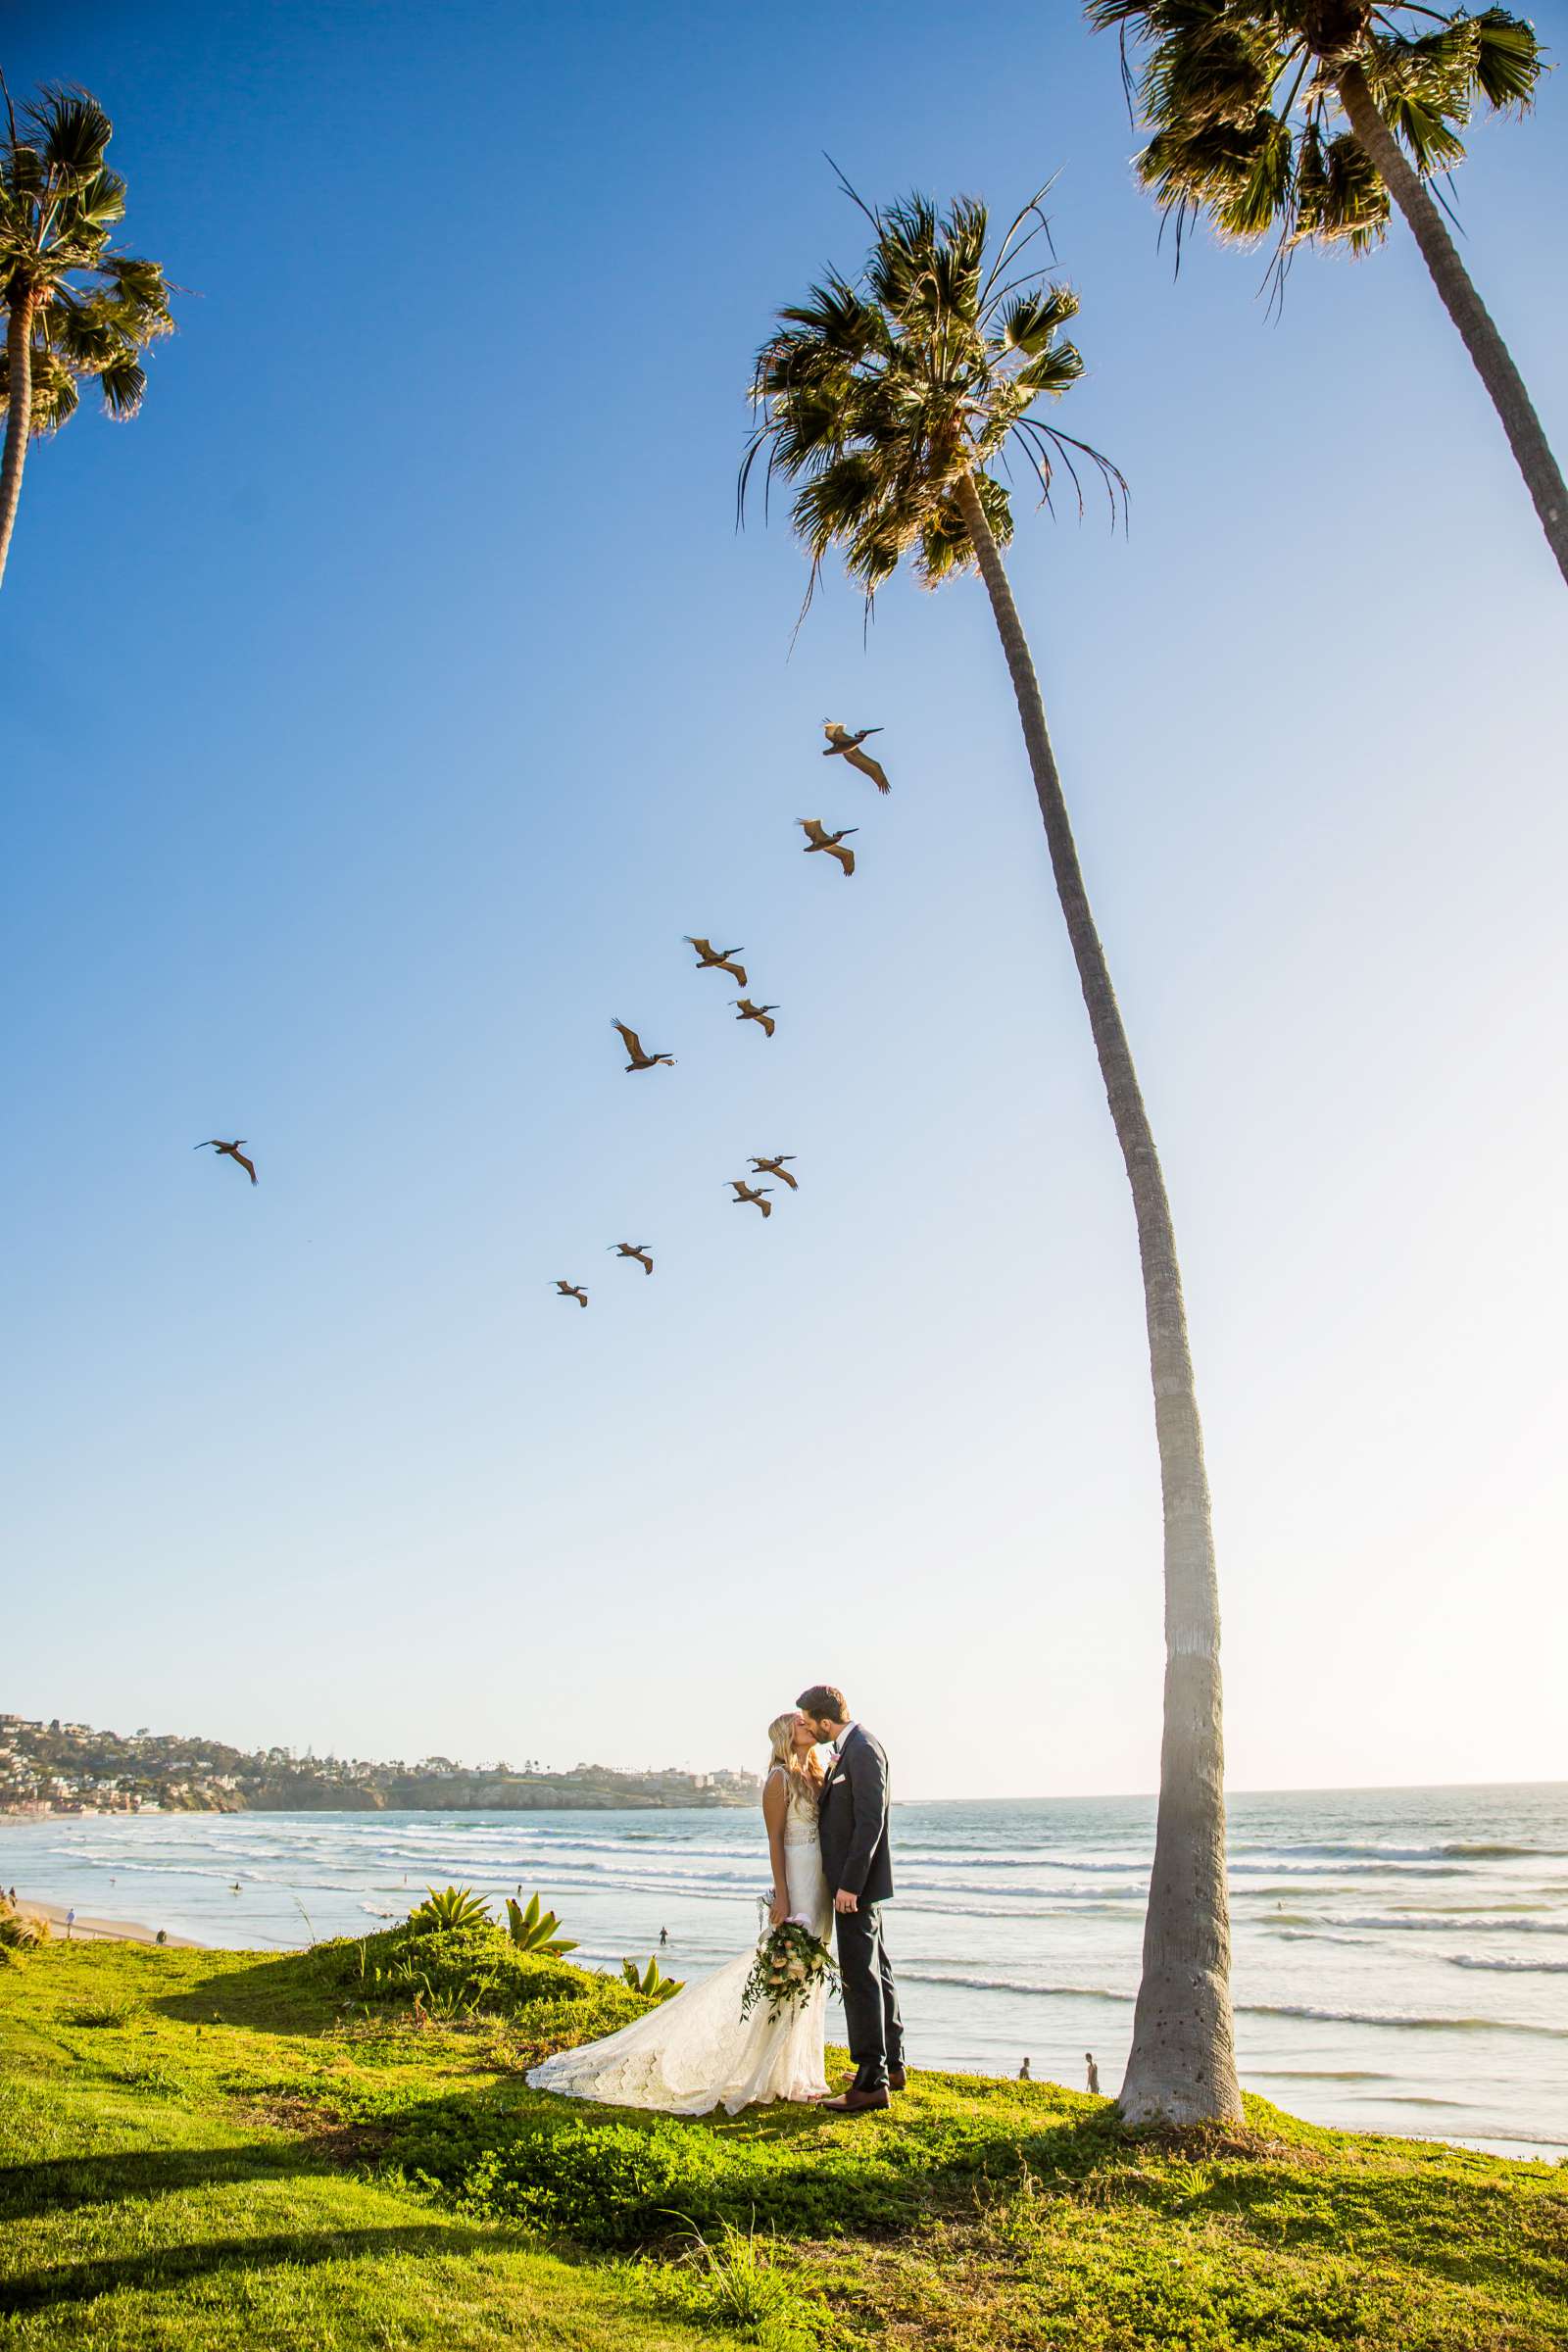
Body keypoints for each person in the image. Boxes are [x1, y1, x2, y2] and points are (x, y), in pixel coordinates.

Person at [525, 1710, 831, 2115]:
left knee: (811, 1973)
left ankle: (801, 2071)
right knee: (787, 1974)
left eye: (808, 1722)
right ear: (784, 1736)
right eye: (799, 1724)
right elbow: (775, 1840)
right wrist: (784, 1897)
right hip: (798, 1877)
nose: (808, 1725)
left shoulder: (816, 1772)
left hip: (821, 1881)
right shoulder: (777, 1779)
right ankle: (776, 2074)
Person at [796, 1684, 905, 2115]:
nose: (805, 1726)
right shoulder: (850, 1748)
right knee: (878, 1970)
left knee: (860, 1978)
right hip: (853, 1885)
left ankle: (870, 2081)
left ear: (826, 1722)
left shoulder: (861, 1749)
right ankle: (891, 2064)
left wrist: (850, 1886)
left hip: (854, 1888)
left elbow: (870, 1822)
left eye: (807, 1720)